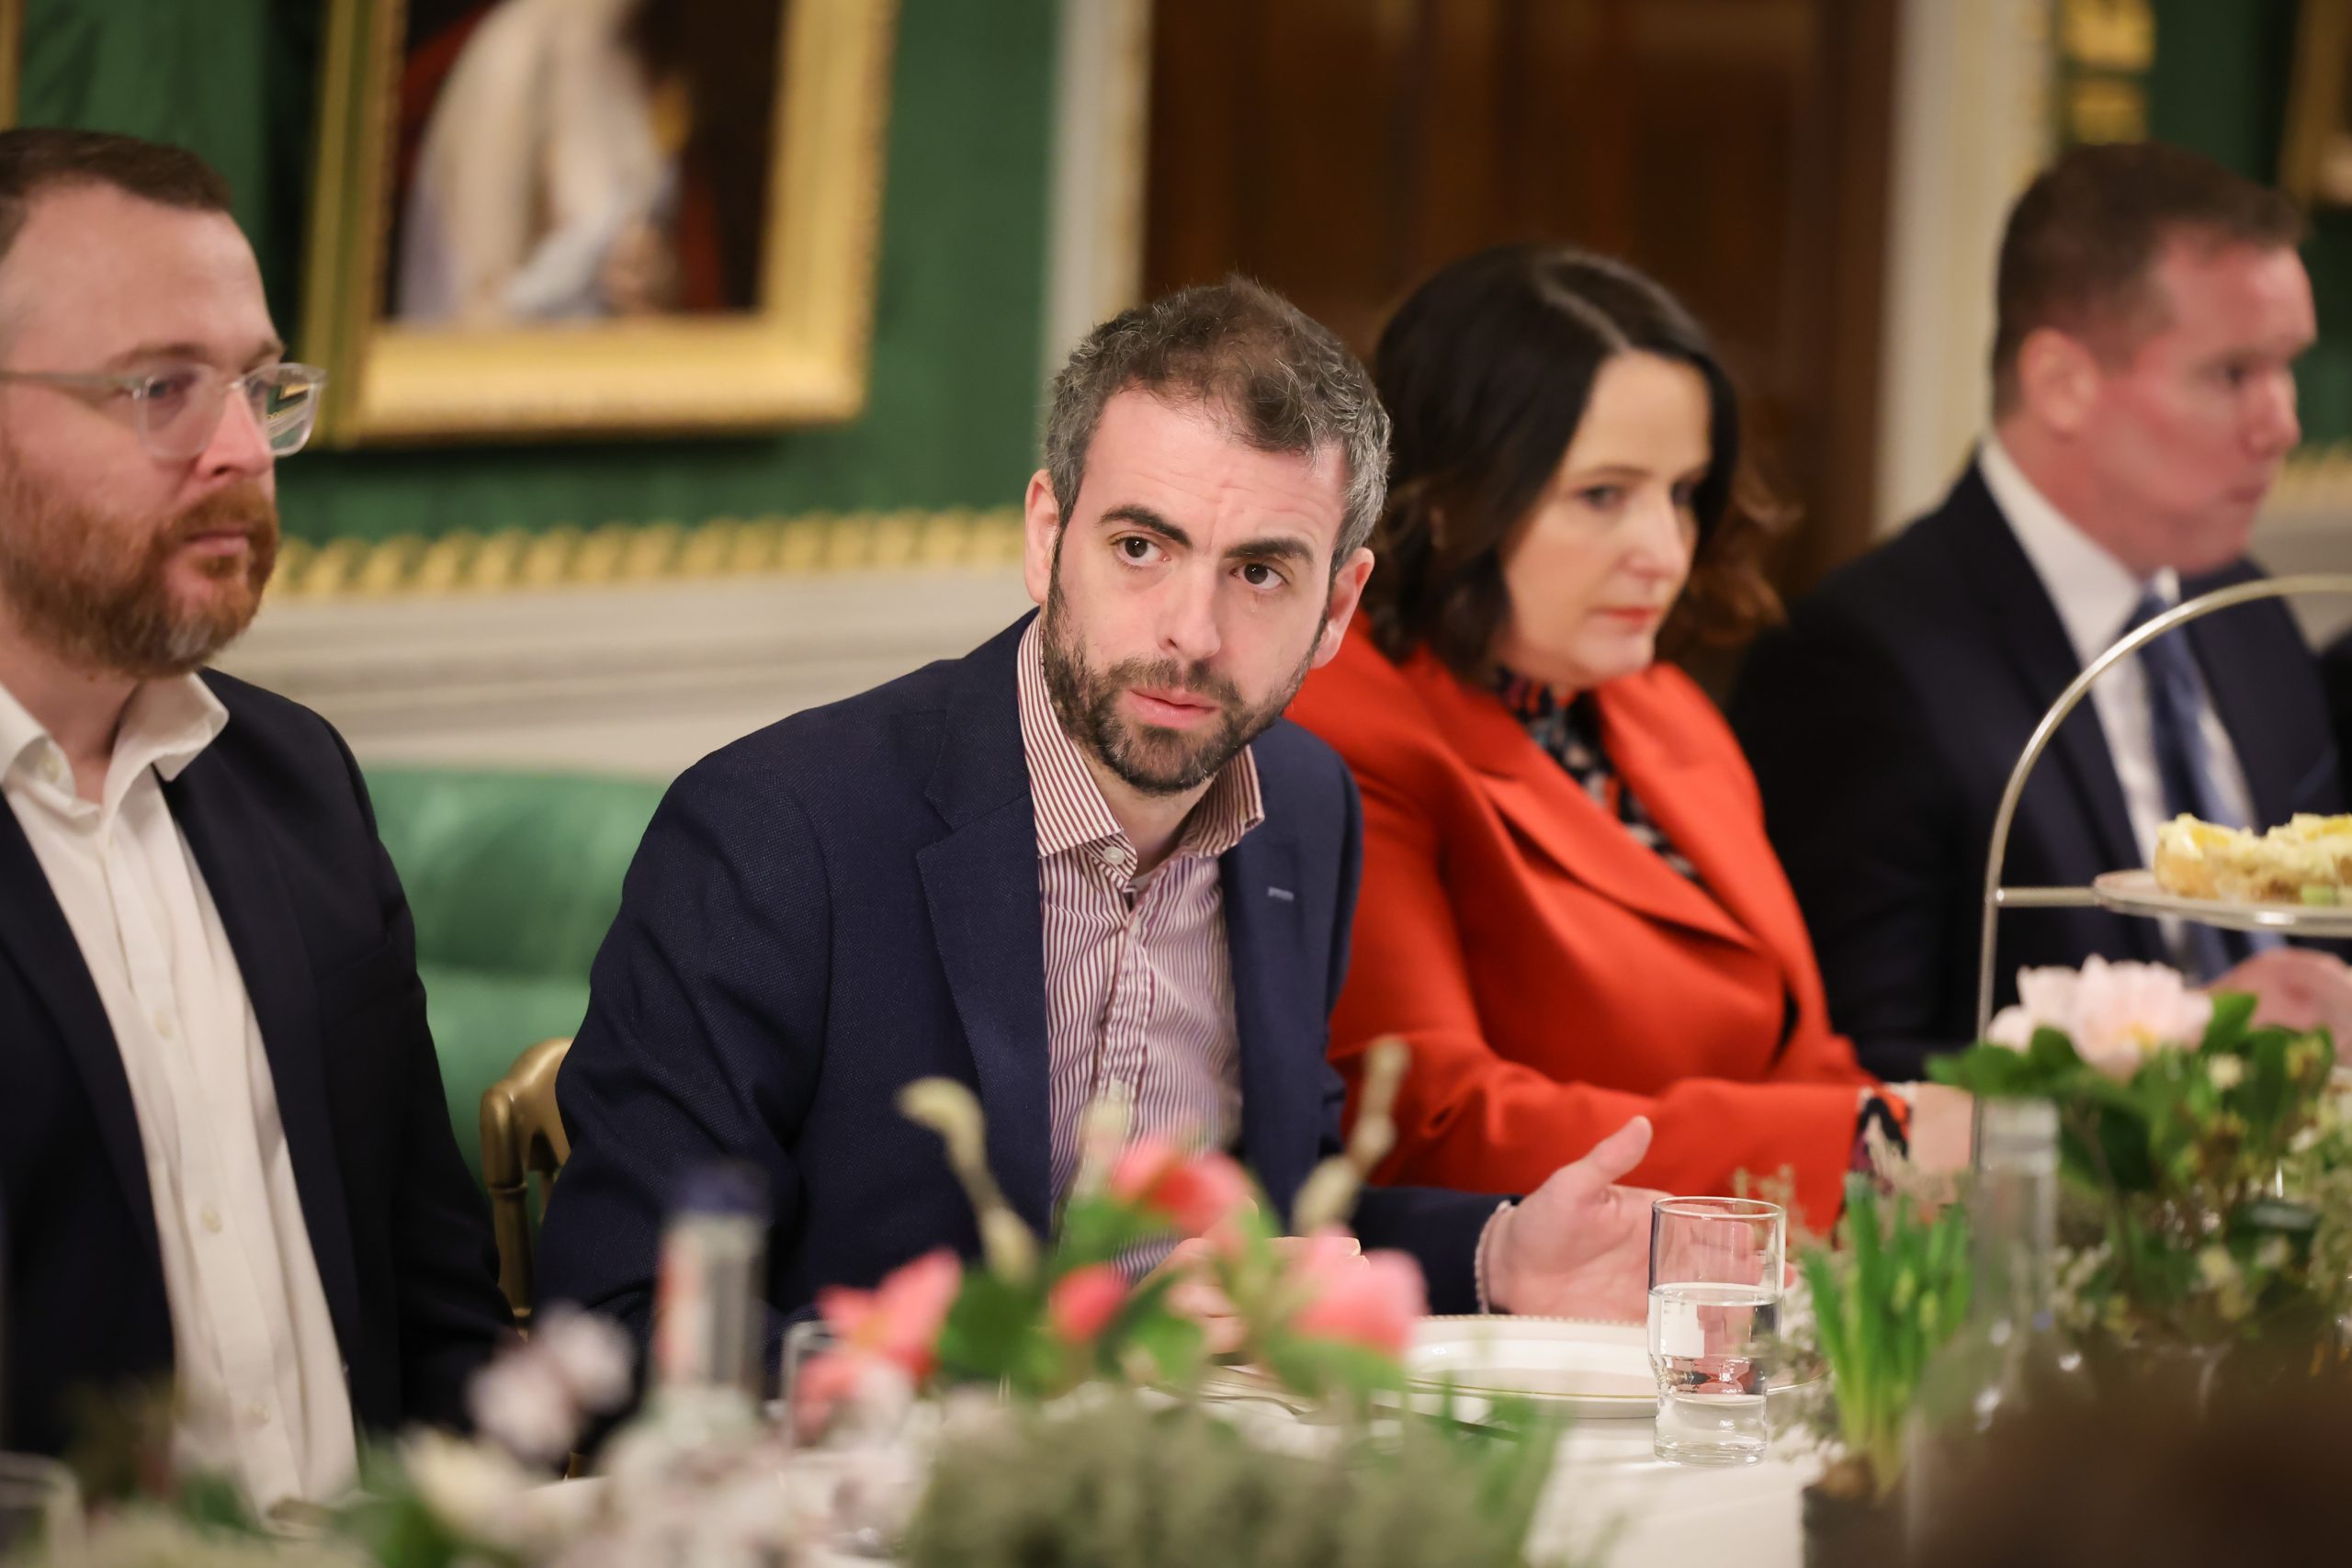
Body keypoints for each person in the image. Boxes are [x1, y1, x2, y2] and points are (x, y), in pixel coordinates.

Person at [537, 280, 1669, 1357]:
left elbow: (1281, 1221)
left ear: (1338, 607)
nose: (1191, 632)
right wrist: (1073, 1347)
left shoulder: (1305, 810)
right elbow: (624, 1323)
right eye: (1141, 547)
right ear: (1046, 536)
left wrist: (1496, 1252)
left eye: (1261, 573)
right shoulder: (776, 833)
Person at [0, 130, 510, 1505]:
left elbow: (438, 1291)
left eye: (260, 386)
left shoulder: (294, 781)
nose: (241, 448)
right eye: (162, 386)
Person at [1284, 246, 1969, 1229]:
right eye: (1602, 495)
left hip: (1734, 1285)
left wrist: (1919, 1136)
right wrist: (1865, 1147)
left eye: (1683, 494)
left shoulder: (1659, 705)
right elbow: (1430, 1125)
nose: (1664, 552)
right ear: (1441, 501)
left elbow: (1799, 1057)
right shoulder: (1349, 727)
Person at [1732, 141, 2352, 1081]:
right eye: (2232, 375)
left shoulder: (2246, 617)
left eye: (2286, 368)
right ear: (2061, 382)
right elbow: (1849, 1078)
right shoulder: (1855, 661)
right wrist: (2176, 1046)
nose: (2282, 423)